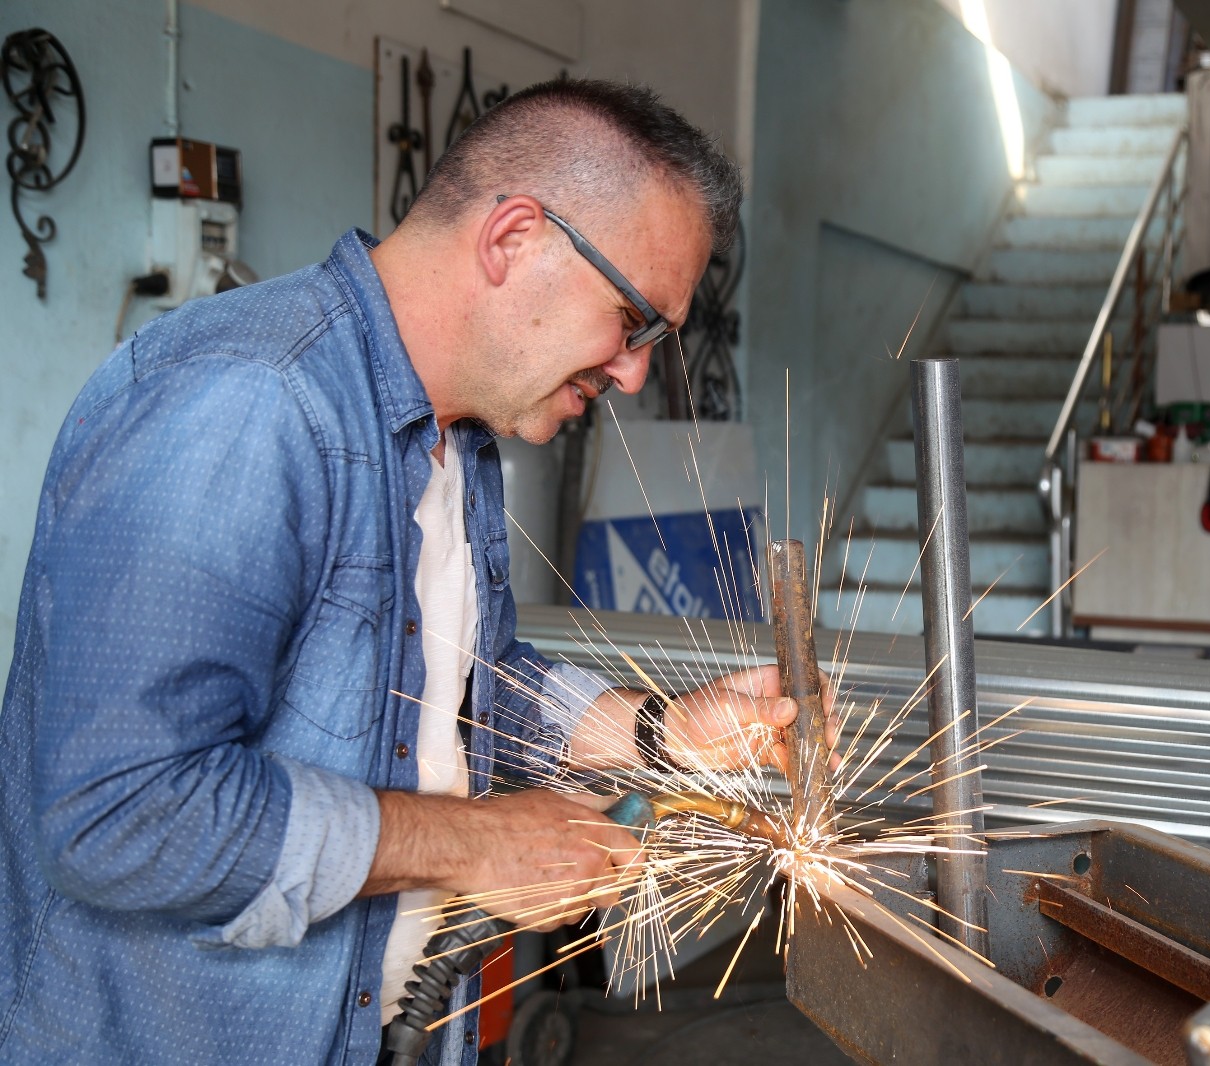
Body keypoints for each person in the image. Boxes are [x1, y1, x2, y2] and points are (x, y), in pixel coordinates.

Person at [0, 78, 801, 1065]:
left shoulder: (456, 437)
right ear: (512, 239)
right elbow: (121, 811)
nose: (633, 372)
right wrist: (478, 843)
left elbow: (459, 690)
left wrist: (657, 732)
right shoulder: (247, 405)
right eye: (633, 319)